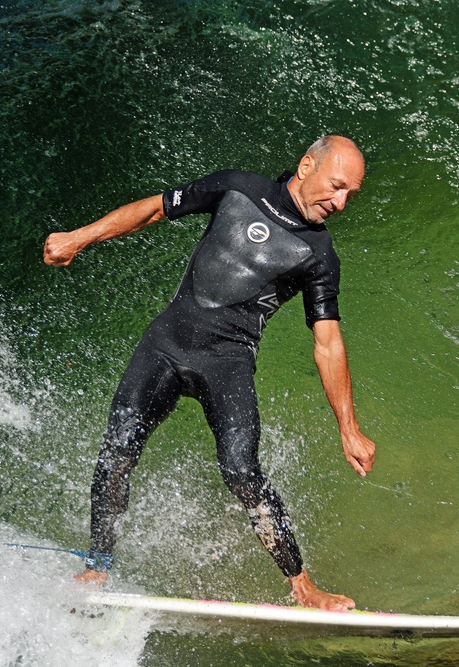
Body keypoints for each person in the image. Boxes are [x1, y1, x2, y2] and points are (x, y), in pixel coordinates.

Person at [42, 135, 376, 611]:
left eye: (351, 195)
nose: (341, 202)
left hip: (228, 362)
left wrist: (349, 428)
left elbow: (327, 342)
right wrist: (81, 237)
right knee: (116, 453)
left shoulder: (318, 255)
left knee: (243, 472)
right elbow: (155, 208)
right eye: (337, 186)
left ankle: (303, 587)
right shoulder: (237, 188)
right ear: (307, 166)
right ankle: (97, 567)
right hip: (165, 345)